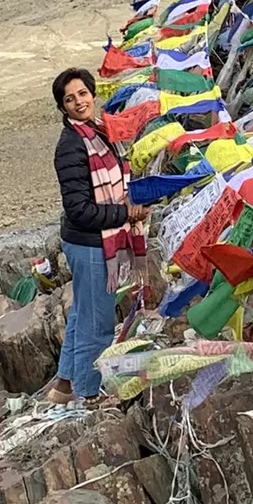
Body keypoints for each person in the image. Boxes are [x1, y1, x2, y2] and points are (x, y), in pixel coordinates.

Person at [46, 67, 148, 405]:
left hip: (91, 241)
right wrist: (125, 213)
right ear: (63, 108)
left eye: (82, 94)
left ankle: (63, 386)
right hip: (90, 243)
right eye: (69, 99)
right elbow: (80, 210)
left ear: (93, 94)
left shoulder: (98, 130)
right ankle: (88, 395)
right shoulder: (71, 146)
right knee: (97, 323)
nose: (78, 102)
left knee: (80, 315)